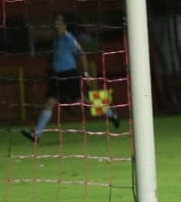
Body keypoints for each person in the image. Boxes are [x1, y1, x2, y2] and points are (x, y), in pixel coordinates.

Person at [21, 13, 119, 142]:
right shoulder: (56, 41)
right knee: (50, 102)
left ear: (65, 25)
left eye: (59, 22)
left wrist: (86, 73)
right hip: (57, 77)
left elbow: (82, 55)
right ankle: (36, 134)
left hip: (69, 75)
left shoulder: (69, 39)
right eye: (55, 22)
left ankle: (111, 114)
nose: (56, 24)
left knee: (82, 102)